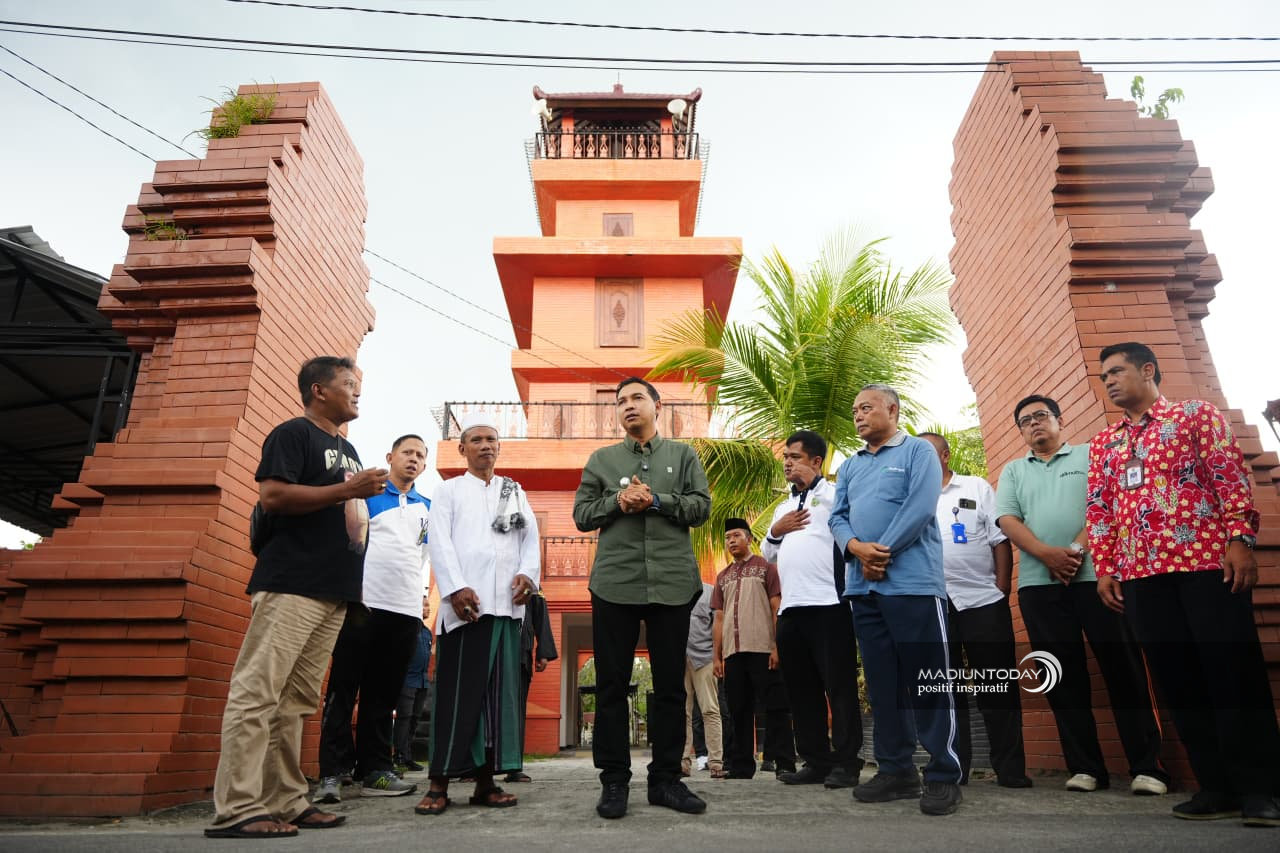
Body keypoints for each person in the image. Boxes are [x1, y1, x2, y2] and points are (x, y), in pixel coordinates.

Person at [1087, 341, 1280, 826]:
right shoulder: (1105, 443)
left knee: (1232, 673)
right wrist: (1106, 568)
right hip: (1141, 577)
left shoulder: (1196, 416)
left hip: (1207, 566)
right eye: (1104, 376)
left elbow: (1229, 477)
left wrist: (1240, 539)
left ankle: (1261, 790)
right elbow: (1100, 509)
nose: (1109, 381)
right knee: (1180, 681)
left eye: (1117, 372)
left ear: (1148, 370)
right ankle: (1214, 787)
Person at [205, 356, 388, 839]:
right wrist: (349, 490)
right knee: (257, 693)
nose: (357, 392)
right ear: (318, 390)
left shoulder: (347, 448)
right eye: (348, 383)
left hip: (333, 591)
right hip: (292, 583)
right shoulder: (293, 433)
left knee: (296, 701)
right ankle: (237, 807)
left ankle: (286, 799)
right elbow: (274, 497)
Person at [995, 392, 1169, 796]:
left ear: (1059, 419)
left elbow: (1109, 504)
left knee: (1123, 668)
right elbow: (1007, 519)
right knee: (1061, 677)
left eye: (1041, 415)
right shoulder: (1014, 471)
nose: (1034, 424)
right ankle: (1086, 768)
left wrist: (1073, 552)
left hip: (1097, 578)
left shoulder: (1091, 454)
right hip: (1039, 586)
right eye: (1025, 421)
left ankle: (1148, 768)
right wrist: (1045, 555)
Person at [573, 376, 711, 819]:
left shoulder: (684, 456)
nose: (628, 406)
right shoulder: (601, 460)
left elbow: (700, 507)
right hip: (615, 583)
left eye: (637, 398)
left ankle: (666, 781)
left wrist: (654, 501)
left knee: (670, 686)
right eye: (620, 401)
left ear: (657, 405)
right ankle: (614, 782)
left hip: (672, 583)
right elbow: (581, 515)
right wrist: (619, 500)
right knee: (611, 686)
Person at [828, 383, 963, 817]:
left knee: (928, 680)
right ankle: (896, 770)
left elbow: (920, 508)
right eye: (854, 410)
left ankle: (943, 773)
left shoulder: (917, 452)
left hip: (912, 585)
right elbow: (837, 517)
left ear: (892, 409)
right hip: (863, 589)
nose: (858, 415)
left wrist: (878, 553)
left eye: (866, 407)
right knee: (883, 685)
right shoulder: (850, 466)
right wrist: (855, 549)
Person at [414, 412, 541, 816]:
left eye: (491, 439)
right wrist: (453, 588)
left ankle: (486, 784)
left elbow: (529, 539)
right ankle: (438, 783)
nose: (486, 445)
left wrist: (528, 575)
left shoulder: (512, 491)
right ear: (462, 448)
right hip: (465, 610)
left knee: (496, 702)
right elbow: (439, 543)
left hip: (506, 608)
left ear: (499, 448)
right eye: (477, 440)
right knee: (456, 698)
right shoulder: (448, 491)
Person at [316, 434, 431, 802]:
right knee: (343, 689)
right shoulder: (365, 495)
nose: (413, 459)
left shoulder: (427, 507)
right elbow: (345, 542)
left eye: (420, 455)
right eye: (407, 452)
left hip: (405, 611)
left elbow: (423, 557)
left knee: (383, 695)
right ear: (390, 457)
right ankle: (333, 772)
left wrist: (422, 596)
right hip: (362, 606)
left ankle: (375, 771)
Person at [919, 432, 1030, 789]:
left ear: (945, 455)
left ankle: (1010, 770)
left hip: (983, 601)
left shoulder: (976, 487)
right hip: (935, 606)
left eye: (927, 452)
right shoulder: (911, 495)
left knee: (997, 686)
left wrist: (1001, 587)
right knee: (946, 692)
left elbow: (999, 540)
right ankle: (956, 770)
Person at [762, 430, 863, 789]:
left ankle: (847, 763)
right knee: (801, 691)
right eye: (785, 458)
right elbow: (768, 554)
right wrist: (776, 530)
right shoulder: (783, 507)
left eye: (795, 457)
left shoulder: (835, 496)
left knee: (839, 688)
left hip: (830, 605)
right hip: (790, 610)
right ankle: (816, 761)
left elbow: (853, 532)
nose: (787, 463)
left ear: (816, 461)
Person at [712, 519, 796, 780]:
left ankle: (784, 763)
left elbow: (776, 607)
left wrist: (776, 646)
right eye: (728, 537)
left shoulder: (765, 568)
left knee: (776, 707)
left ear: (749, 538)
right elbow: (719, 618)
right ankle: (741, 766)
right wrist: (716, 656)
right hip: (733, 653)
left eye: (737, 535)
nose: (731, 541)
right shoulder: (722, 576)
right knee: (738, 709)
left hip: (762, 649)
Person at [506, 590, 559, 783]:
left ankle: (513, 765)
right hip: (488, 645)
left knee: (515, 710)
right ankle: (477, 767)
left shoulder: (530, 578)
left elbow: (539, 610)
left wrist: (543, 651)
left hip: (520, 649)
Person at [682, 582, 725, 779]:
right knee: (683, 713)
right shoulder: (672, 590)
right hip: (679, 659)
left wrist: (717, 657)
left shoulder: (710, 592)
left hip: (705, 658)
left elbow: (718, 623)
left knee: (710, 710)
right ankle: (683, 762)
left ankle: (715, 763)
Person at [393, 595, 432, 773]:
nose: (428, 608)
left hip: (422, 682)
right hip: (407, 680)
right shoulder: (408, 628)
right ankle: (399, 755)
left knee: (415, 718)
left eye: (428, 605)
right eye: (425, 605)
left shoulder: (427, 632)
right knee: (404, 718)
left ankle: (407, 756)